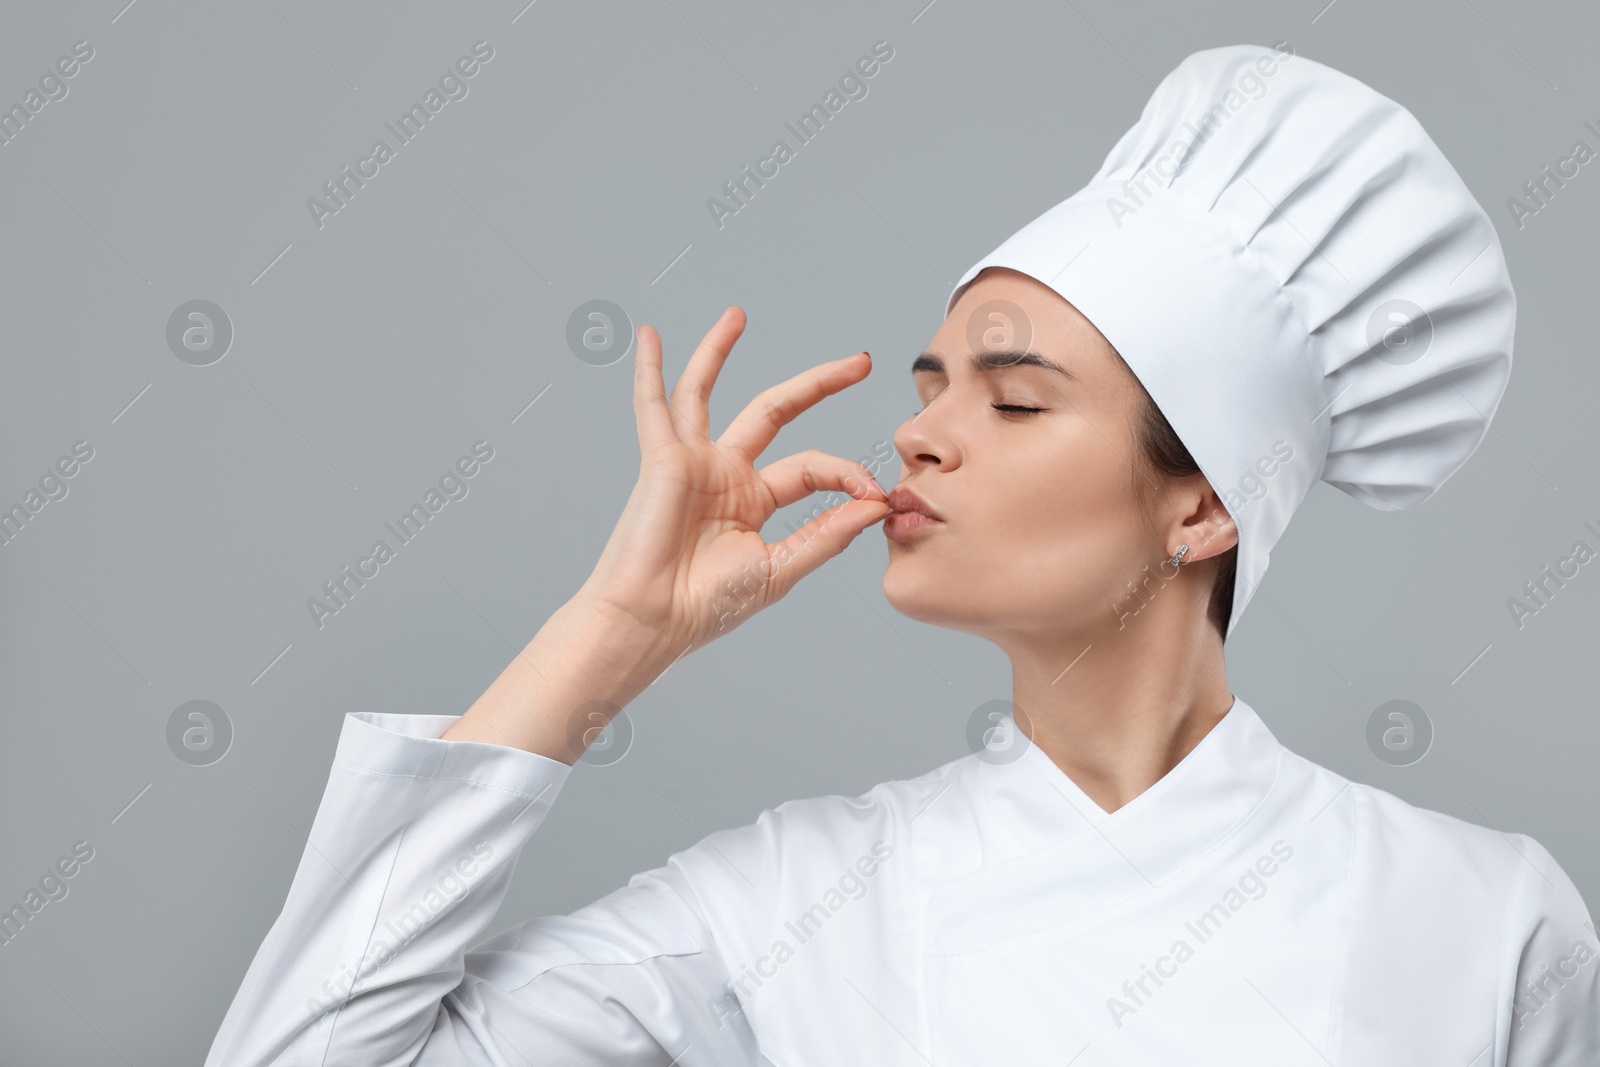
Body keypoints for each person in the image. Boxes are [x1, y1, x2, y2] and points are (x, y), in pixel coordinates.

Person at [204, 44, 1597, 1065]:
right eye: (931, 387)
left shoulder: (1489, 919)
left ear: (1203, 509)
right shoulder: (802, 901)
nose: (921, 437)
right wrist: (612, 634)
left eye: (1015, 397)